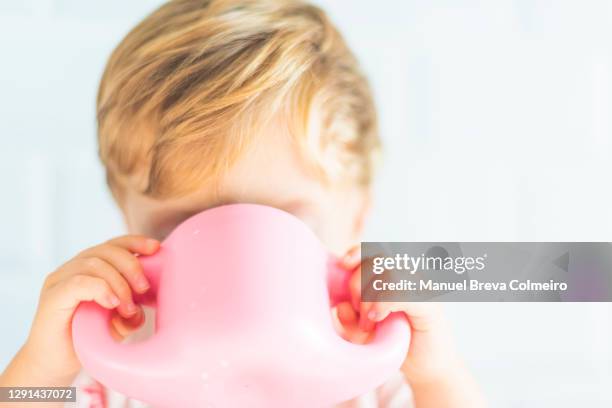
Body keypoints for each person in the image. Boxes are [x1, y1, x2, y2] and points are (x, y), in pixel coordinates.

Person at [1, 1, 485, 406]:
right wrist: (42, 367)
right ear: (125, 213)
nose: (236, 258)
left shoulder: (376, 372)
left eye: (283, 221)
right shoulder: (113, 367)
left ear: (356, 214)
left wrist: (437, 376)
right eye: (183, 223)